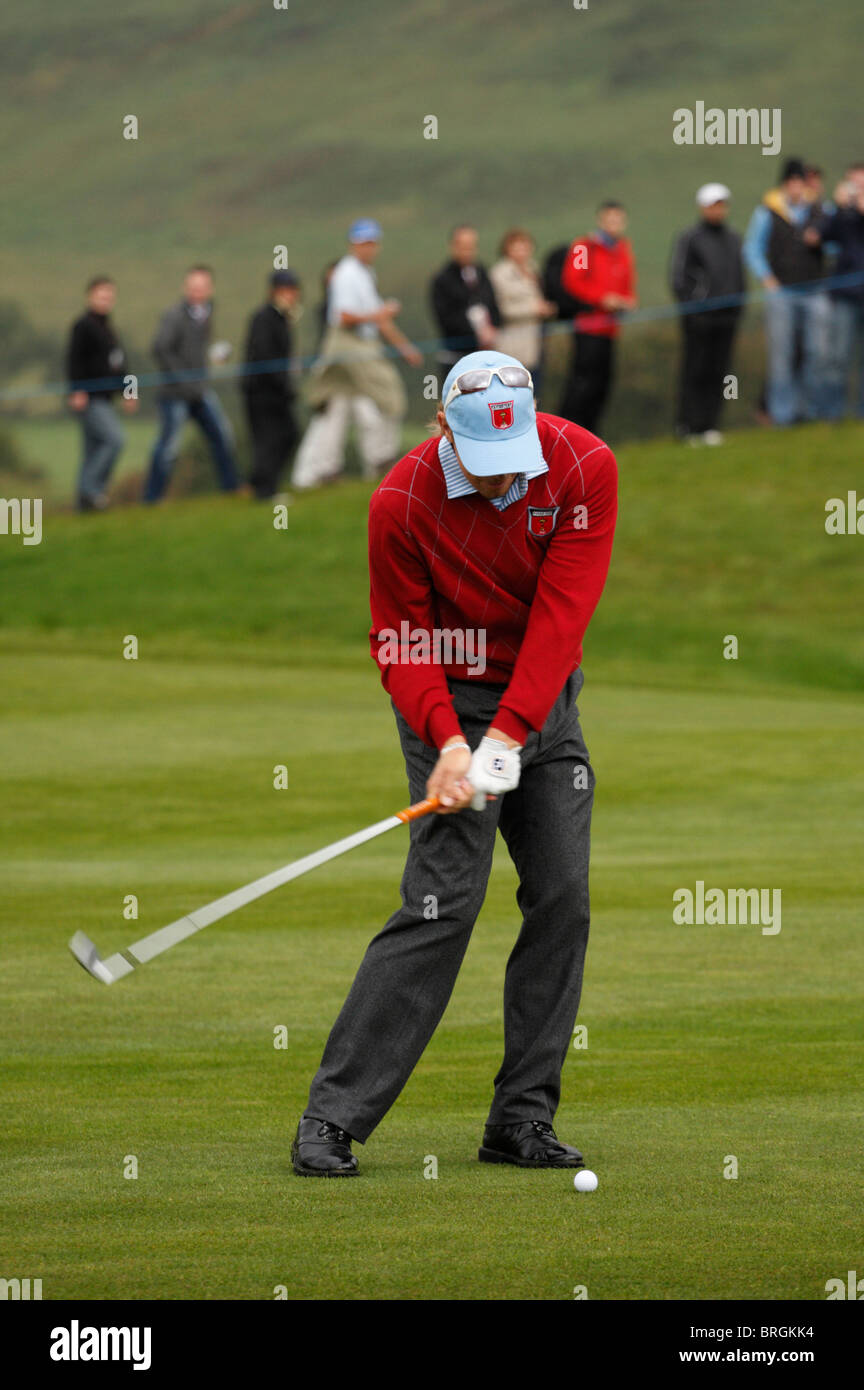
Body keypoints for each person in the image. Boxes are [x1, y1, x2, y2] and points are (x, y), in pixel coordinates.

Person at [291, 349, 618, 1178]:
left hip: (541, 707)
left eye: (516, 467)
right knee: (441, 905)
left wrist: (509, 738)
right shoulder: (400, 501)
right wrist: (447, 743)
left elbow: (560, 623)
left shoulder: (582, 467)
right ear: (444, 427)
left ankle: (521, 1120)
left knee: (564, 898)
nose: (506, 484)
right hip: (450, 703)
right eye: (487, 465)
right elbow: (399, 642)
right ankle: (333, 1118)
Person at [292, 220, 422, 489]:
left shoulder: (364, 274)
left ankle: (349, 467)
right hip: (348, 343)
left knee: (342, 405)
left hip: (357, 344)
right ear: (353, 245)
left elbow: (378, 320)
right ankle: (374, 461)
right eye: (364, 243)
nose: (369, 248)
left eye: (372, 243)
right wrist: (381, 314)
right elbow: (345, 317)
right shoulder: (347, 273)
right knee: (387, 394)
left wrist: (404, 347)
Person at [743, 158, 831, 425]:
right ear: (784, 184)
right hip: (782, 294)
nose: (796, 188)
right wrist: (767, 278)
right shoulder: (767, 213)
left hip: (815, 291)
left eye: (800, 182)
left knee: (816, 353)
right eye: (791, 182)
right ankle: (783, 415)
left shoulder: (820, 211)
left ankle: (810, 411)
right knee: (782, 356)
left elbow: (836, 244)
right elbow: (752, 249)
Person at [144, 266, 240, 503]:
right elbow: (161, 348)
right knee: (168, 449)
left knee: (222, 436)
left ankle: (232, 488)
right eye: (193, 287)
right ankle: (152, 500)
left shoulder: (206, 313)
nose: (197, 292)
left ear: (210, 289)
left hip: (200, 391)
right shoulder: (174, 315)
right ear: (185, 288)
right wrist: (183, 378)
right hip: (175, 393)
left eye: (202, 287)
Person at [669, 183, 745, 444]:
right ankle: (688, 425)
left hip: (728, 316)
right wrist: (693, 307)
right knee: (695, 370)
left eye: (722, 204)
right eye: (713, 205)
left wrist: (738, 306)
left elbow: (739, 275)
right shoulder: (690, 237)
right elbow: (679, 278)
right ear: (703, 207)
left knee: (720, 372)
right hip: (699, 317)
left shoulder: (734, 238)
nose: (718, 210)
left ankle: (709, 424)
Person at [558, 201, 638, 433]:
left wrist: (628, 299)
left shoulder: (623, 248)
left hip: (611, 329)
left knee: (603, 385)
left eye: (618, 220)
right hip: (588, 326)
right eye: (609, 220)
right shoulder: (584, 246)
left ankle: (591, 435)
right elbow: (573, 281)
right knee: (582, 384)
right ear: (600, 221)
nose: (613, 225)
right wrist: (603, 298)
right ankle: (570, 433)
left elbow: (628, 282)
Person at [66, 276, 137, 511]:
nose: (106, 300)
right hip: (91, 399)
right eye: (101, 295)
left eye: (109, 296)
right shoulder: (83, 326)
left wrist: (130, 391)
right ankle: (91, 491)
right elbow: (73, 360)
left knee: (93, 449)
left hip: (106, 398)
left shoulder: (109, 328)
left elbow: (121, 363)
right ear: (90, 296)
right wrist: (76, 390)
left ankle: (85, 503)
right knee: (114, 439)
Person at [241, 270, 302, 499]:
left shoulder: (282, 318)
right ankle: (264, 490)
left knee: (286, 435)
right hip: (263, 393)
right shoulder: (265, 317)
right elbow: (266, 357)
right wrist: (283, 385)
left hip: (276, 392)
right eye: (286, 291)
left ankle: (262, 483)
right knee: (269, 440)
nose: (291, 296)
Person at [816, 163, 864, 418]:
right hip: (845, 294)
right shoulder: (840, 215)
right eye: (853, 184)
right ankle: (832, 413)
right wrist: (838, 209)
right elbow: (819, 236)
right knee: (838, 356)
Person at [489, 229, 557, 404]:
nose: (522, 252)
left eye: (525, 247)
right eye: (516, 247)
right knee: (511, 389)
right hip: (511, 341)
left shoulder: (533, 269)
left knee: (534, 389)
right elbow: (500, 308)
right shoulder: (499, 273)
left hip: (536, 338)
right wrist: (533, 309)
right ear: (507, 249)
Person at [430, 225, 501, 374]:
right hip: (457, 357)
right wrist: (476, 333)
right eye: (463, 246)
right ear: (453, 246)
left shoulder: (482, 271)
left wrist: (493, 328)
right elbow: (445, 318)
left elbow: (493, 304)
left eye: (471, 246)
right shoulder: (442, 279)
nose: (468, 251)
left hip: (485, 355)